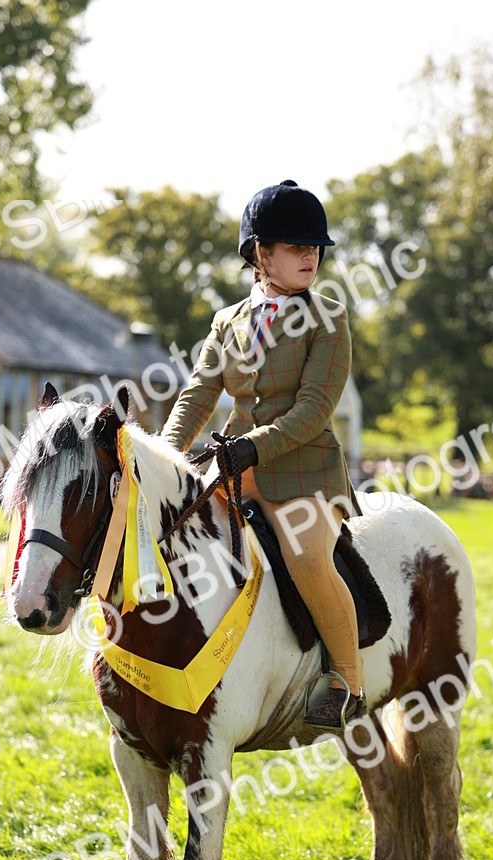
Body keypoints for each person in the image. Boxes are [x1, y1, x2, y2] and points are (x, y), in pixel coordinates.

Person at [162, 180, 365, 729]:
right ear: (261, 253)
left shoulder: (329, 319)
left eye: (314, 246)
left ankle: (347, 682)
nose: (310, 256)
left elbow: (314, 410)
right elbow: (198, 396)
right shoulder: (226, 322)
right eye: (296, 246)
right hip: (231, 467)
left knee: (307, 560)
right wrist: (163, 454)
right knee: (171, 533)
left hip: (305, 473)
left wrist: (253, 447)